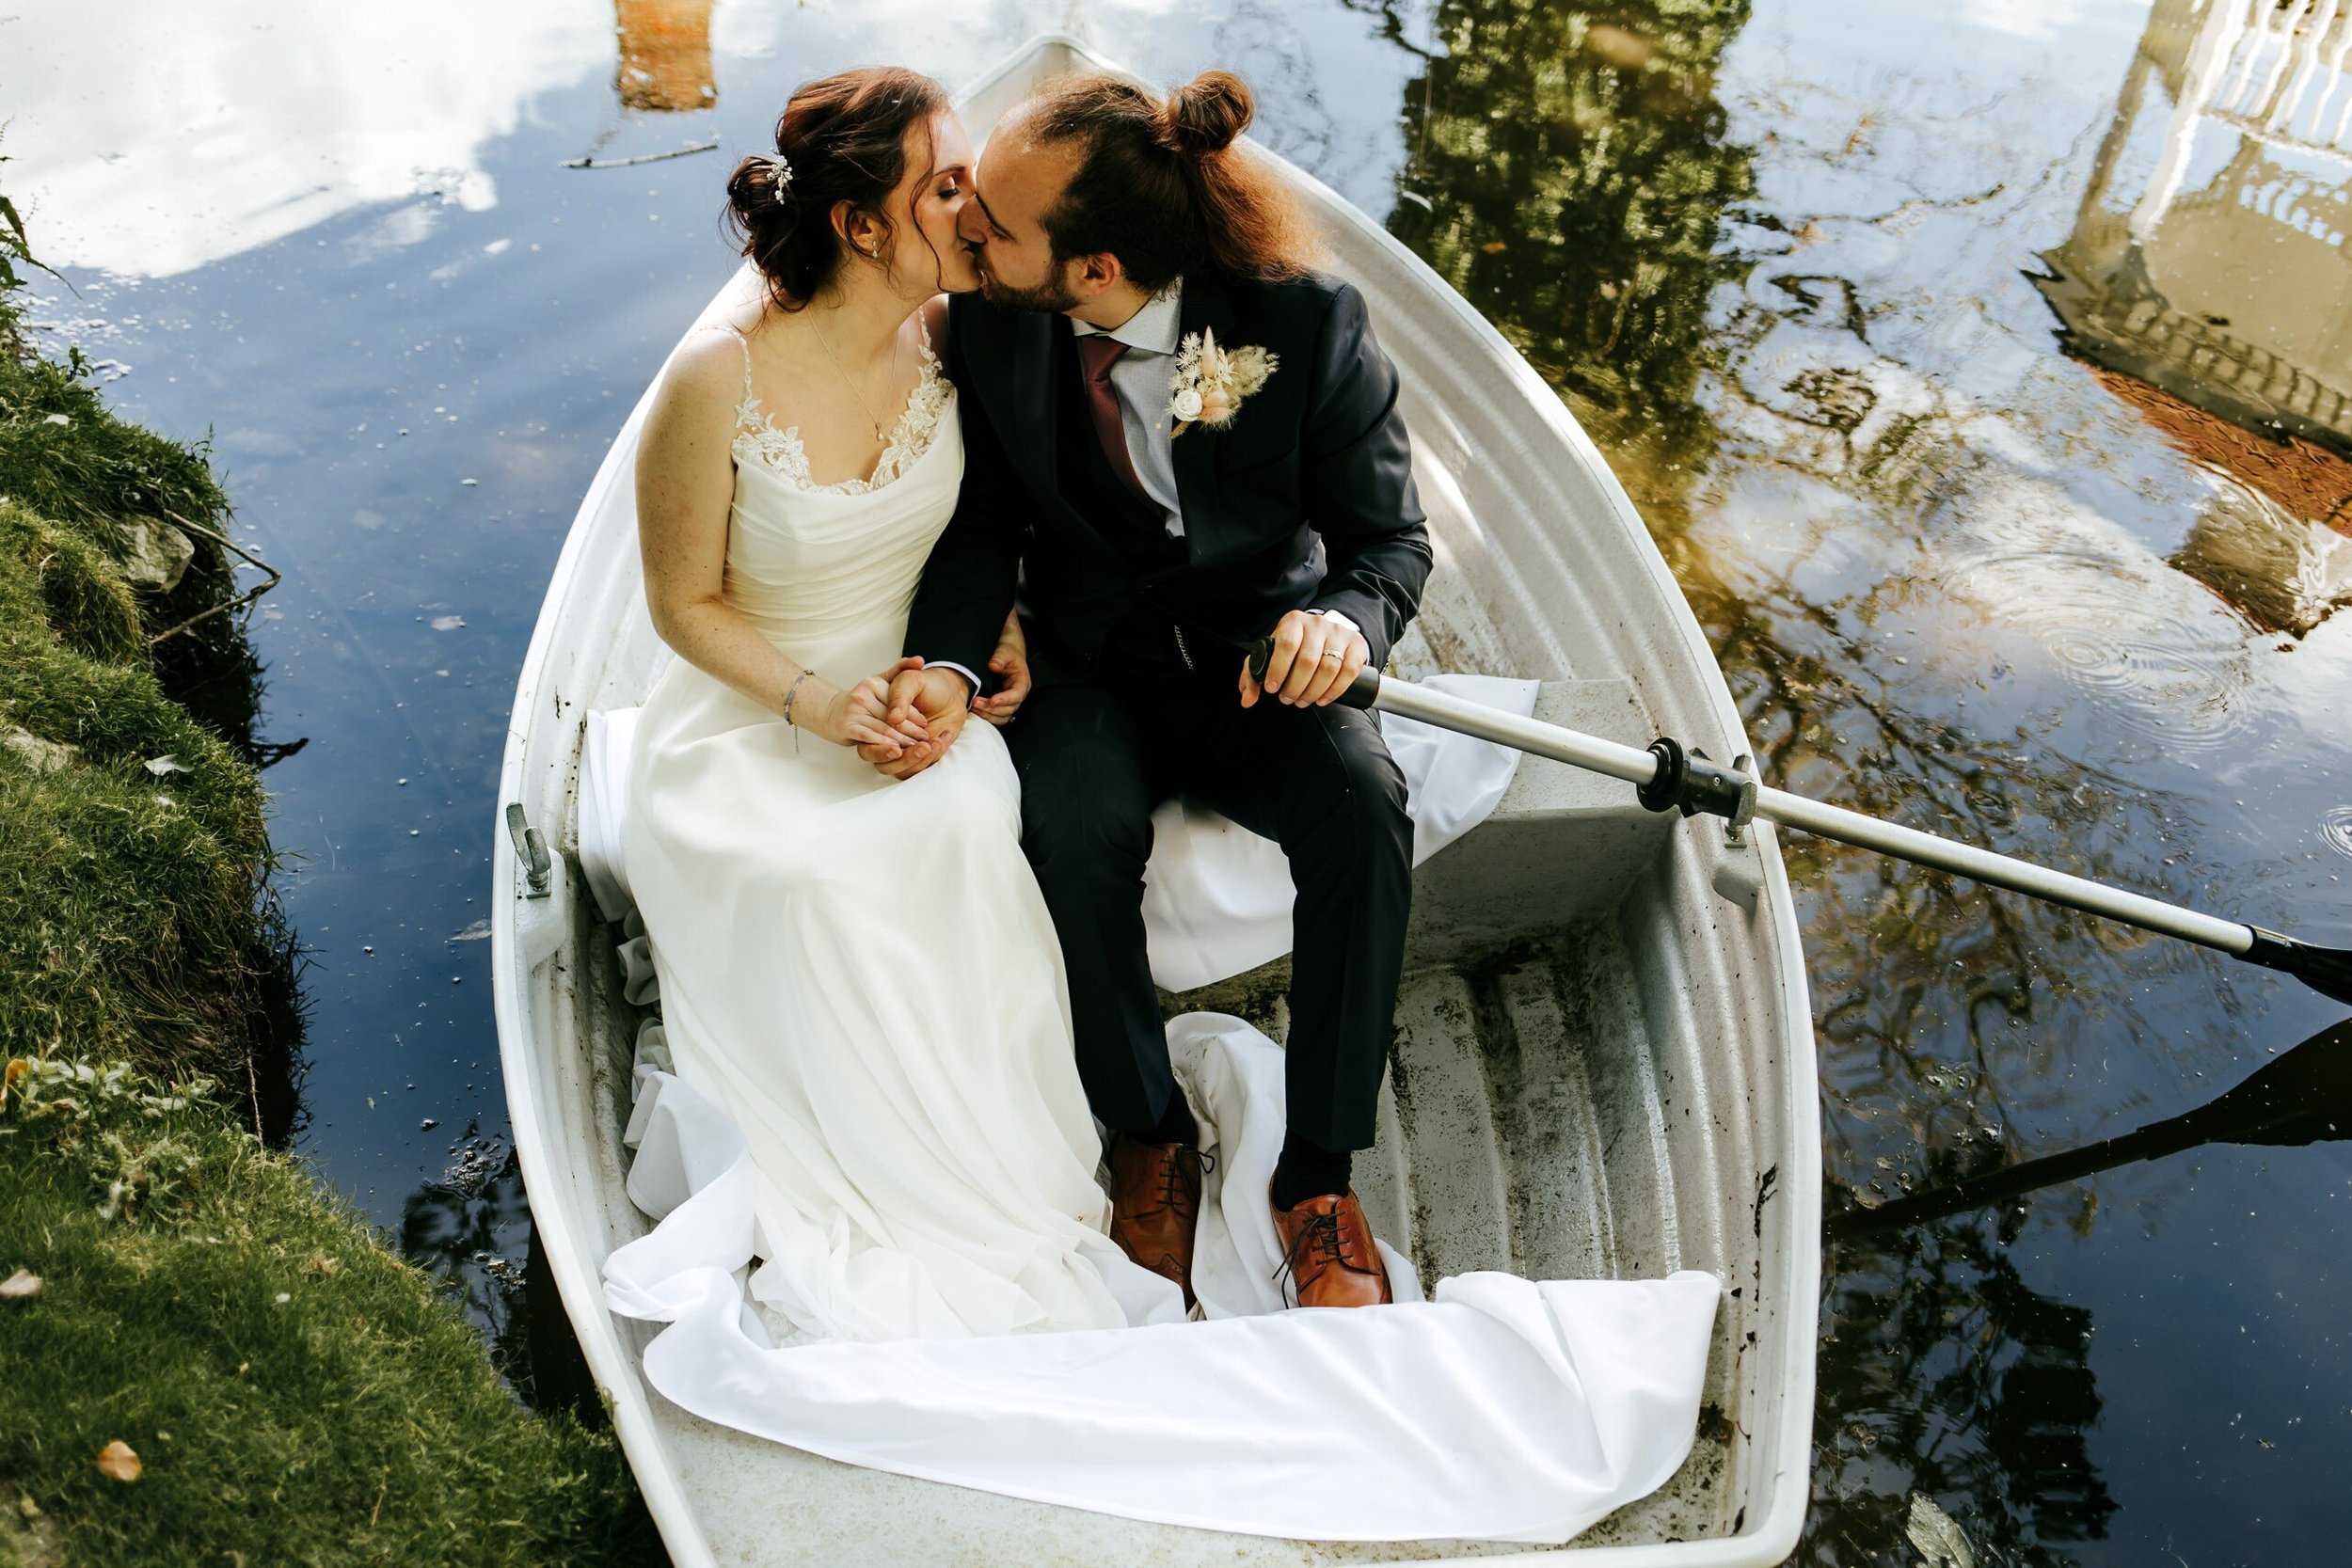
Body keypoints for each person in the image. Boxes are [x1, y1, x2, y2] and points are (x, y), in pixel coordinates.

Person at [623, 66, 1175, 1341]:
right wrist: (819, 709)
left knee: (967, 821)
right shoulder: (717, 381)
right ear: (862, 227)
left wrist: (988, 635)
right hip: (754, 710)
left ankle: (994, 1176)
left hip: (915, 681)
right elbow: (681, 607)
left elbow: (985, 523)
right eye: (943, 186)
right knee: (813, 878)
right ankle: (869, 1184)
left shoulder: (954, 334)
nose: (974, 203)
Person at [883, 70, 1432, 1309]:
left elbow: (1389, 545)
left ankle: (1319, 1179)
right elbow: (979, 522)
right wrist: (959, 657)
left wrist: (1341, 627)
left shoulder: (1304, 327)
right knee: (1069, 832)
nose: (966, 230)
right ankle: (1147, 1133)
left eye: (996, 227)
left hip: (1258, 664)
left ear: (1095, 268)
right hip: (1086, 665)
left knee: (1363, 810)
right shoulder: (991, 320)